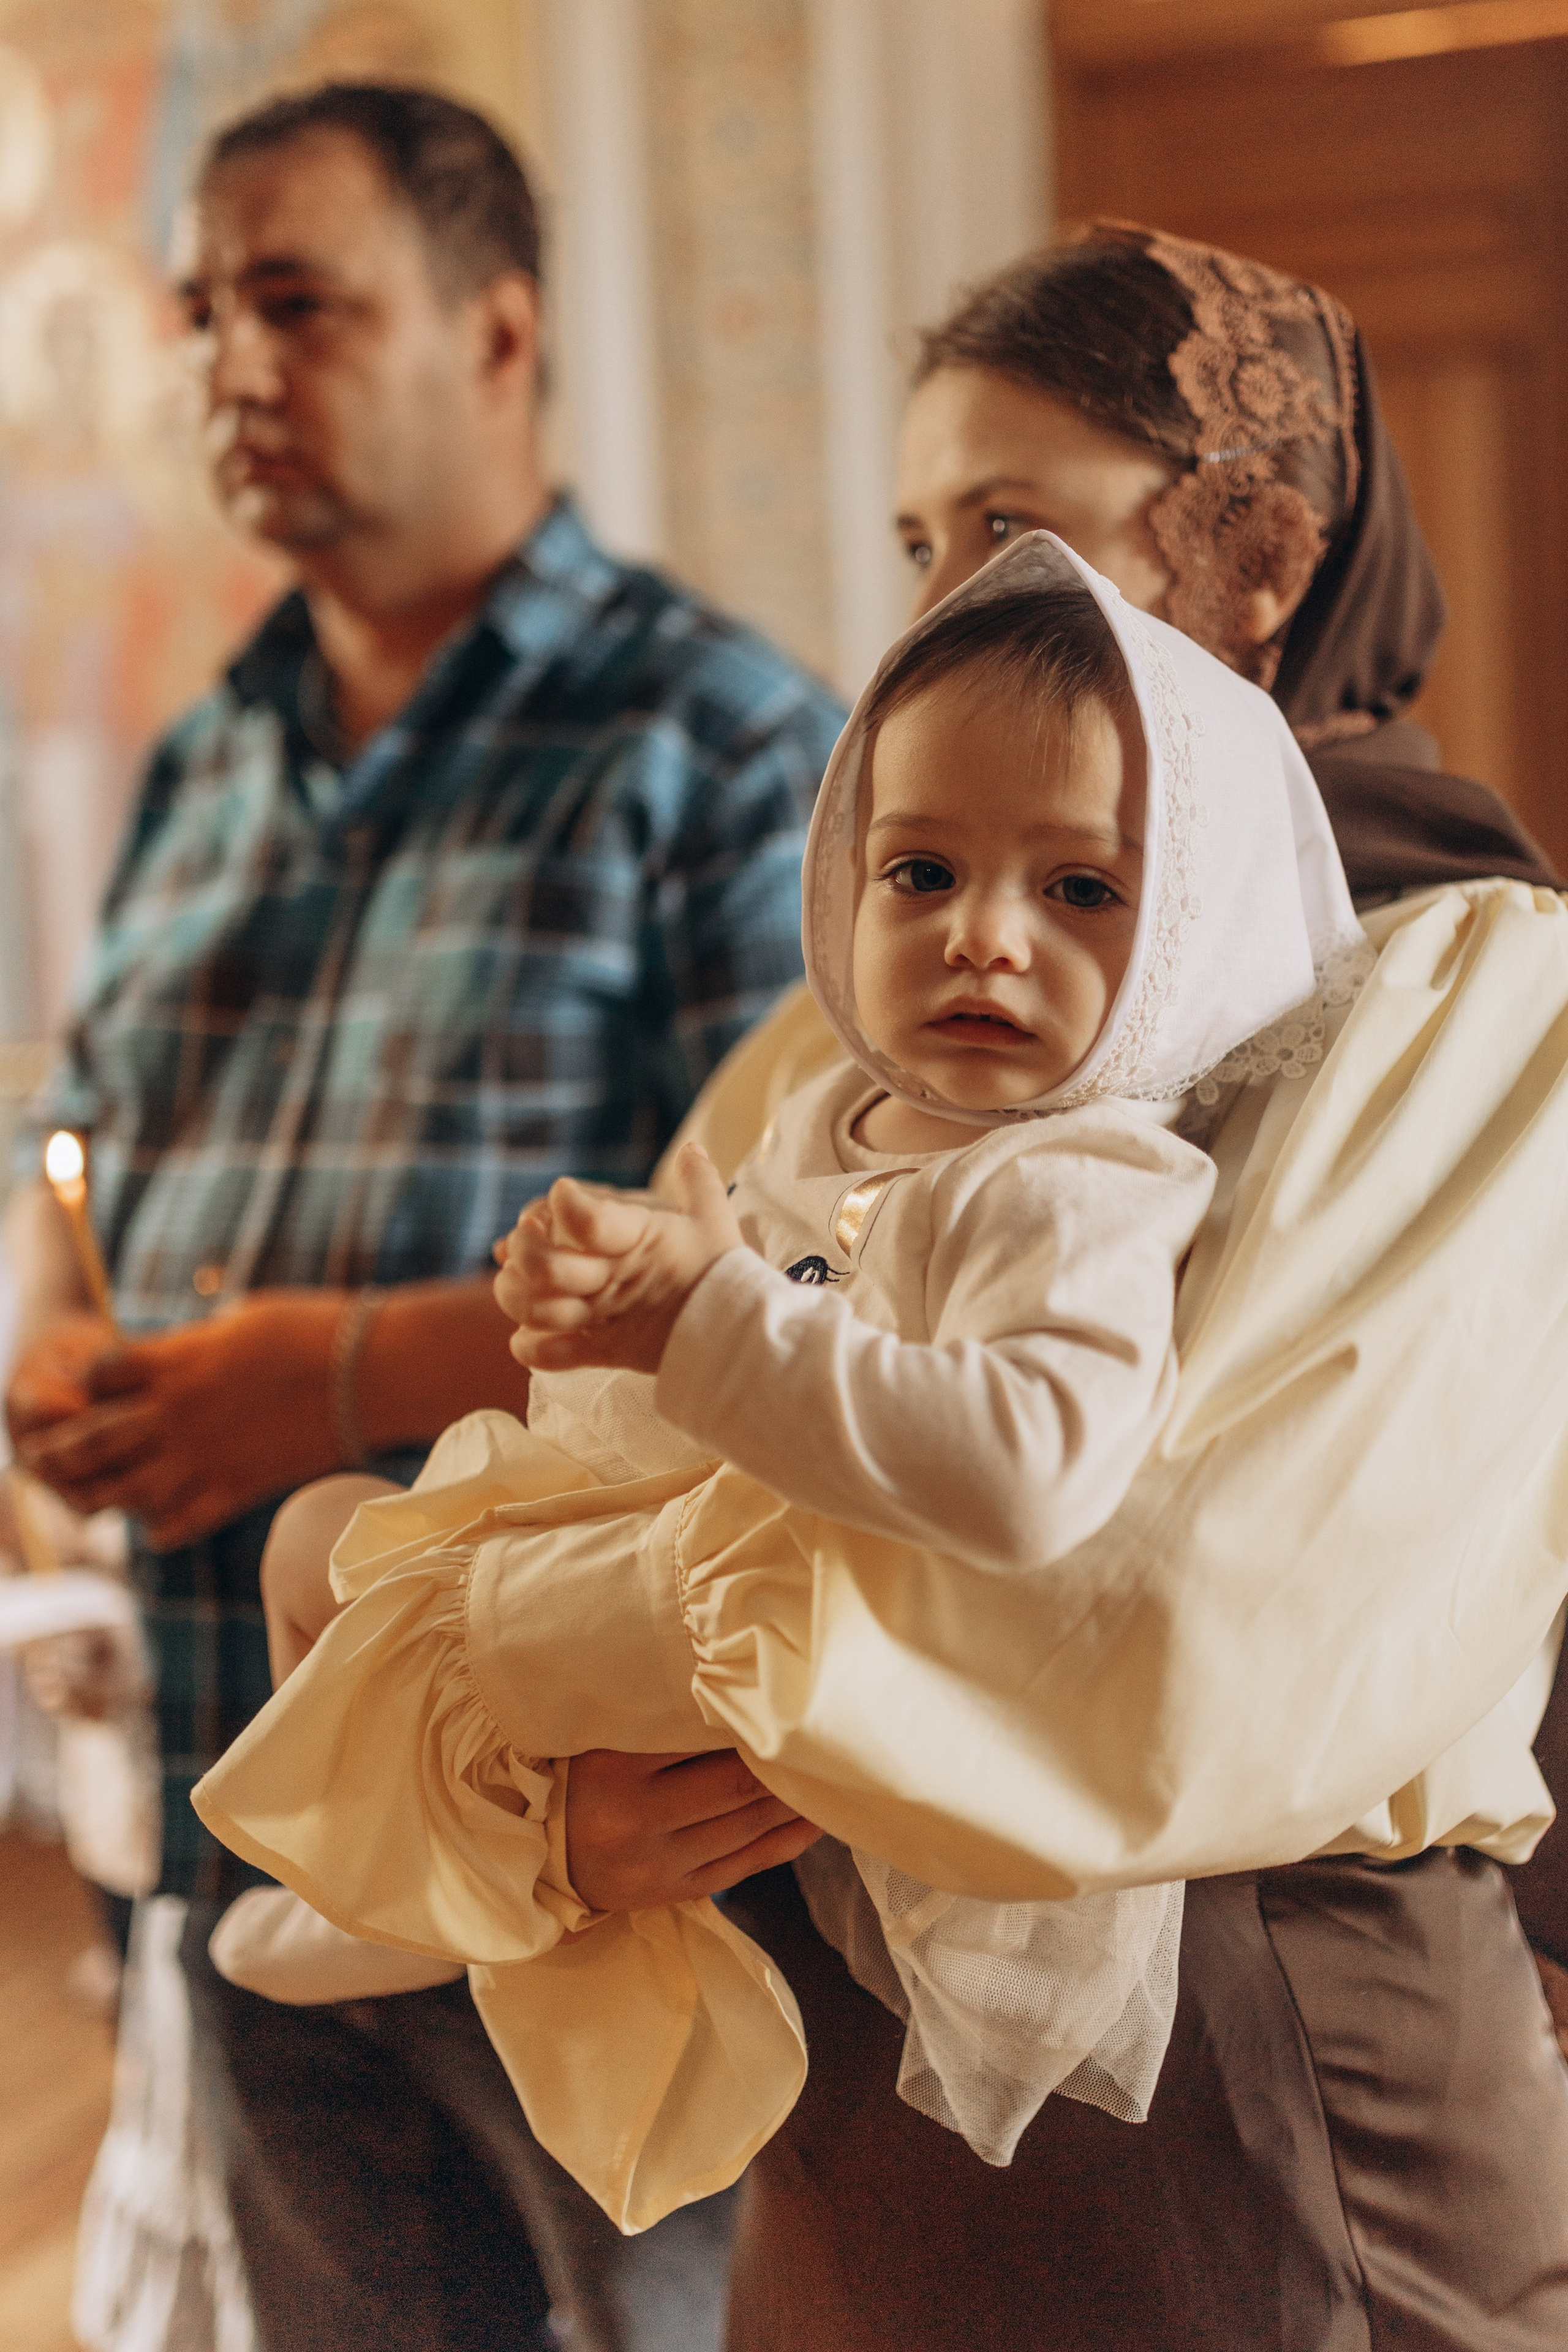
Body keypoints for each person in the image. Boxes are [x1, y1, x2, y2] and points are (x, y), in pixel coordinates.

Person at [508, 226, 1568, 2351]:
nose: (945, 612)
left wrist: (566, 1664)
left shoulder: (1466, 982)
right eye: (919, 544)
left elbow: (1174, 1623)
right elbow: (593, 1464)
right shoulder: (866, 1021)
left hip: (1261, 2079)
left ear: (1261, 558)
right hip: (849, 2072)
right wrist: (558, 1809)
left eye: (1006, 530)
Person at [194, 533, 1352, 2227]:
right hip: (697, 1549)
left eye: (1080, 892)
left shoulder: (1077, 1182)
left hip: (813, 1632)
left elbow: (1033, 1469)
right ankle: (424, 1882)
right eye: (923, 872)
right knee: (324, 1533)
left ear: (1188, 930)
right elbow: (749, 1285)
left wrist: (703, 1320)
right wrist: (599, 1298)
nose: (983, 938)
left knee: (345, 1564)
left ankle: (421, 1887)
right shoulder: (838, 1110)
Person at [2, 80, 843, 2352]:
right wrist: (60, 1329)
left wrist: (333, 1376)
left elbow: (817, 1288)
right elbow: (79, 1147)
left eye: (299, 302)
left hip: (586, 1847)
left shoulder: (722, 747)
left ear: (497, 331)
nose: (228, 366)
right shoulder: (211, 754)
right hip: (247, 1798)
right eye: (204, 309)